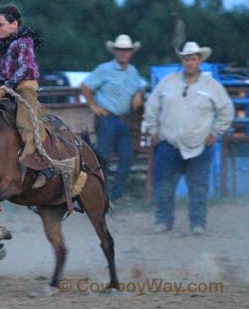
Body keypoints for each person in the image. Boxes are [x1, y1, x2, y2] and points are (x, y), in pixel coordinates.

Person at [144, 41, 234, 235]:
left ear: (199, 60)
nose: (189, 62)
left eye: (193, 58)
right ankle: (163, 221)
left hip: (200, 145)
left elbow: (227, 109)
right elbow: (152, 105)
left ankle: (197, 223)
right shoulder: (168, 82)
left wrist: (215, 132)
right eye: (186, 59)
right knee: (164, 186)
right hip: (169, 143)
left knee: (198, 188)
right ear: (183, 61)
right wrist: (153, 129)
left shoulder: (212, 86)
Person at [80, 34, 145, 202]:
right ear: (116, 51)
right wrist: (93, 106)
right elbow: (85, 86)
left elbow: (140, 86)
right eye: (121, 50)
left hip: (123, 120)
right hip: (108, 119)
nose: (124, 53)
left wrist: (138, 93)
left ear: (131, 52)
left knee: (127, 156)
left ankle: (115, 195)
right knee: (104, 157)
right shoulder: (104, 69)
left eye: (126, 50)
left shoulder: (133, 72)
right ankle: (101, 194)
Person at [0, 4, 50, 189]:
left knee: (25, 121)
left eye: (1, 24)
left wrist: (7, 86)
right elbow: (0, 71)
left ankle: (40, 167)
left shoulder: (24, 41)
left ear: (14, 24)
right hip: (7, 88)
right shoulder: (0, 45)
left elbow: (25, 67)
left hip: (25, 85)